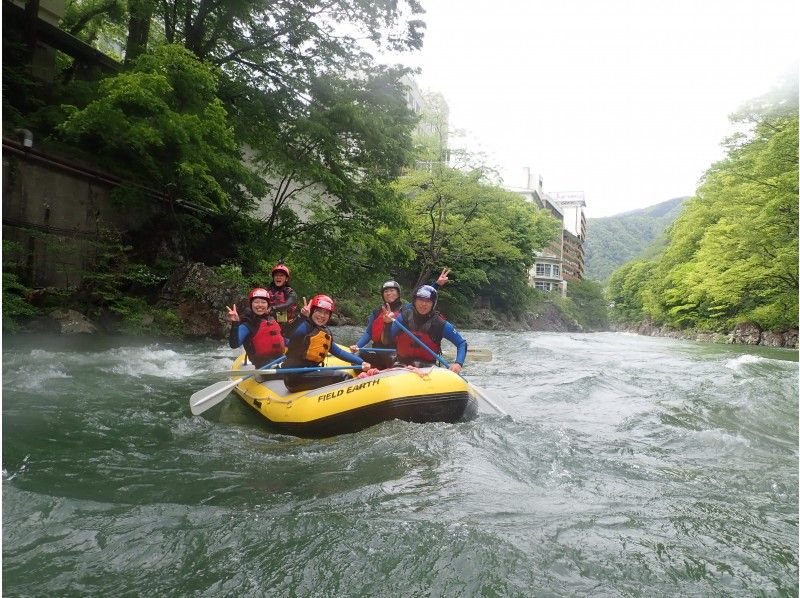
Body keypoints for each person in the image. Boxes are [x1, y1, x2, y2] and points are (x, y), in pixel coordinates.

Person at [350, 268, 451, 370]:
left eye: (392, 290)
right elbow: (368, 333)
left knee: (392, 358)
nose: (389, 293)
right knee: (356, 356)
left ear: (398, 293)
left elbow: (421, 298)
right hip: (377, 350)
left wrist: (437, 284)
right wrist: (357, 346)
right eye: (386, 291)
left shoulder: (406, 309)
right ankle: (366, 377)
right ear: (382, 295)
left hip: (394, 354)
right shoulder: (377, 312)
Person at [282, 294, 370, 392]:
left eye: (326, 313)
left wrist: (361, 362)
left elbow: (339, 352)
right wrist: (301, 317)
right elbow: (287, 334)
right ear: (311, 311)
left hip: (311, 372)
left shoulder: (324, 332)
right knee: (344, 376)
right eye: (318, 311)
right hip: (295, 377)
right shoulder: (303, 327)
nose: (322, 316)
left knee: (335, 372)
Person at [381, 284, 466, 373]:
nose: (424, 304)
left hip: (428, 367)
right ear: (415, 301)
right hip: (401, 365)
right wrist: (387, 324)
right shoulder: (404, 317)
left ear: (433, 304)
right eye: (420, 300)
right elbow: (386, 341)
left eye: (428, 301)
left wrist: (458, 363)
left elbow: (461, 343)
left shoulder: (440, 324)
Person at [226, 288, 286, 368]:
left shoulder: (273, 319)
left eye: (263, 302)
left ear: (268, 305)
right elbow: (234, 344)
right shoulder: (248, 324)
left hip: (281, 359)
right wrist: (235, 323)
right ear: (251, 304)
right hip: (263, 365)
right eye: (256, 302)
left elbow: (285, 338)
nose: (260, 305)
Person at [267, 262, 298, 332]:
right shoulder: (267, 291)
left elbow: (288, 304)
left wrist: (272, 308)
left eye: (281, 275)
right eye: (276, 275)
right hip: (269, 320)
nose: (278, 277)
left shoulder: (291, 292)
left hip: (286, 324)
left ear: (286, 279)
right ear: (273, 278)